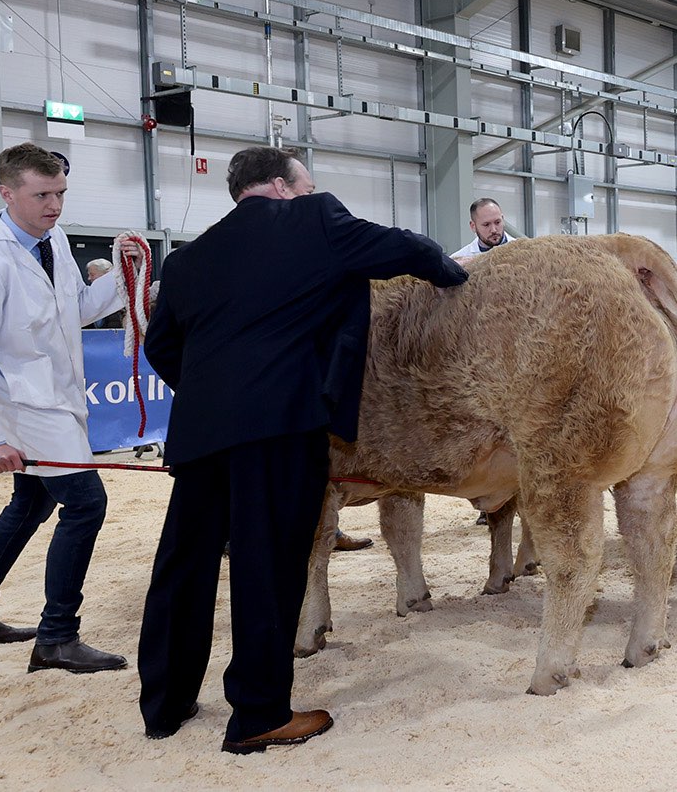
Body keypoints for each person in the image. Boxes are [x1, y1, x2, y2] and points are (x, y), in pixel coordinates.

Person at [138, 147, 469, 753]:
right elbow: (404, 247)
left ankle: (164, 703)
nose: (314, 191)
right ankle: (259, 715)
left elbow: (161, 347)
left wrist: (219, 395)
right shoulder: (313, 219)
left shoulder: (187, 260)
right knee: (267, 566)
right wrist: (455, 275)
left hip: (202, 434)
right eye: (307, 183)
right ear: (281, 187)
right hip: (278, 429)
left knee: (183, 567)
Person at [0, 143, 135, 672]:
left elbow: (76, 309)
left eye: (60, 193)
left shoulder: (54, 241)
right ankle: (58, 637)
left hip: (55, 399)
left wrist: (122, 279)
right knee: (85, 504)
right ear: (7, 193)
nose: (55, 205)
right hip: (20, 407)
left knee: (30, 504)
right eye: (42, 194)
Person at [449, 197, 513, 259]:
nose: (493, 230)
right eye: (486, 225)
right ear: (473, 226)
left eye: (497, 222)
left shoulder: (522, 249)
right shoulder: (458, 260)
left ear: (503, 219)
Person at [85, 259, 126, 329]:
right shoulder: (87, 297)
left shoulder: (123, 295)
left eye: (92, 275)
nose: (89, 278)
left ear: (106, 274)